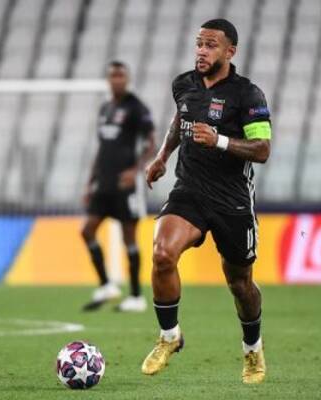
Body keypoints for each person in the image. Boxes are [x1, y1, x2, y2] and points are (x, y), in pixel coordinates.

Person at [141, 19, 272, 384]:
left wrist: (220, 141)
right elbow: (180, 120)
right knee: (162, 254)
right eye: (199, 43)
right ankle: (169, 336)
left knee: (240, 284)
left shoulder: (248, 95)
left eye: (210, 45)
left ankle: (252, 348)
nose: (201, 51)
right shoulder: (183, 84)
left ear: (230, 51)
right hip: (190, 191)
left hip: (232, 200)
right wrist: (162, 156)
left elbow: (262, 149)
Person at [81, 61, 155, 312]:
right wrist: (89, 183)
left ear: (128, 78)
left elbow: (152, 143)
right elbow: (102, 148)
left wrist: (135, 171)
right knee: (87, 231)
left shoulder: (136, 108)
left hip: (125, 185)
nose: (117, 80)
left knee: (129, 239)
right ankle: (106, 285)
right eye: (113, 76)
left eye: (121, 76)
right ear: (108, 79)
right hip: (103, 183)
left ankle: (135, 296)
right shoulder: (105, 109)